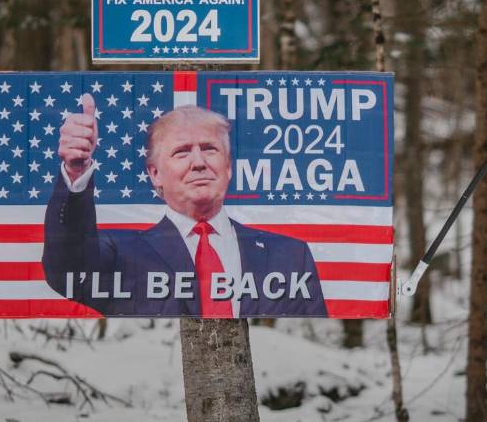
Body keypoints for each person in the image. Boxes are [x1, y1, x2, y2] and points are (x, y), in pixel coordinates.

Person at [42, 94, 326, 317]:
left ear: (228, 167)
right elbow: (67, 269)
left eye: (209, 149)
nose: (199, 162)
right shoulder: (120, 253)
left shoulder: (291, 256)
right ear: (155, 175)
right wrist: (76, 172)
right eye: (181, 152)